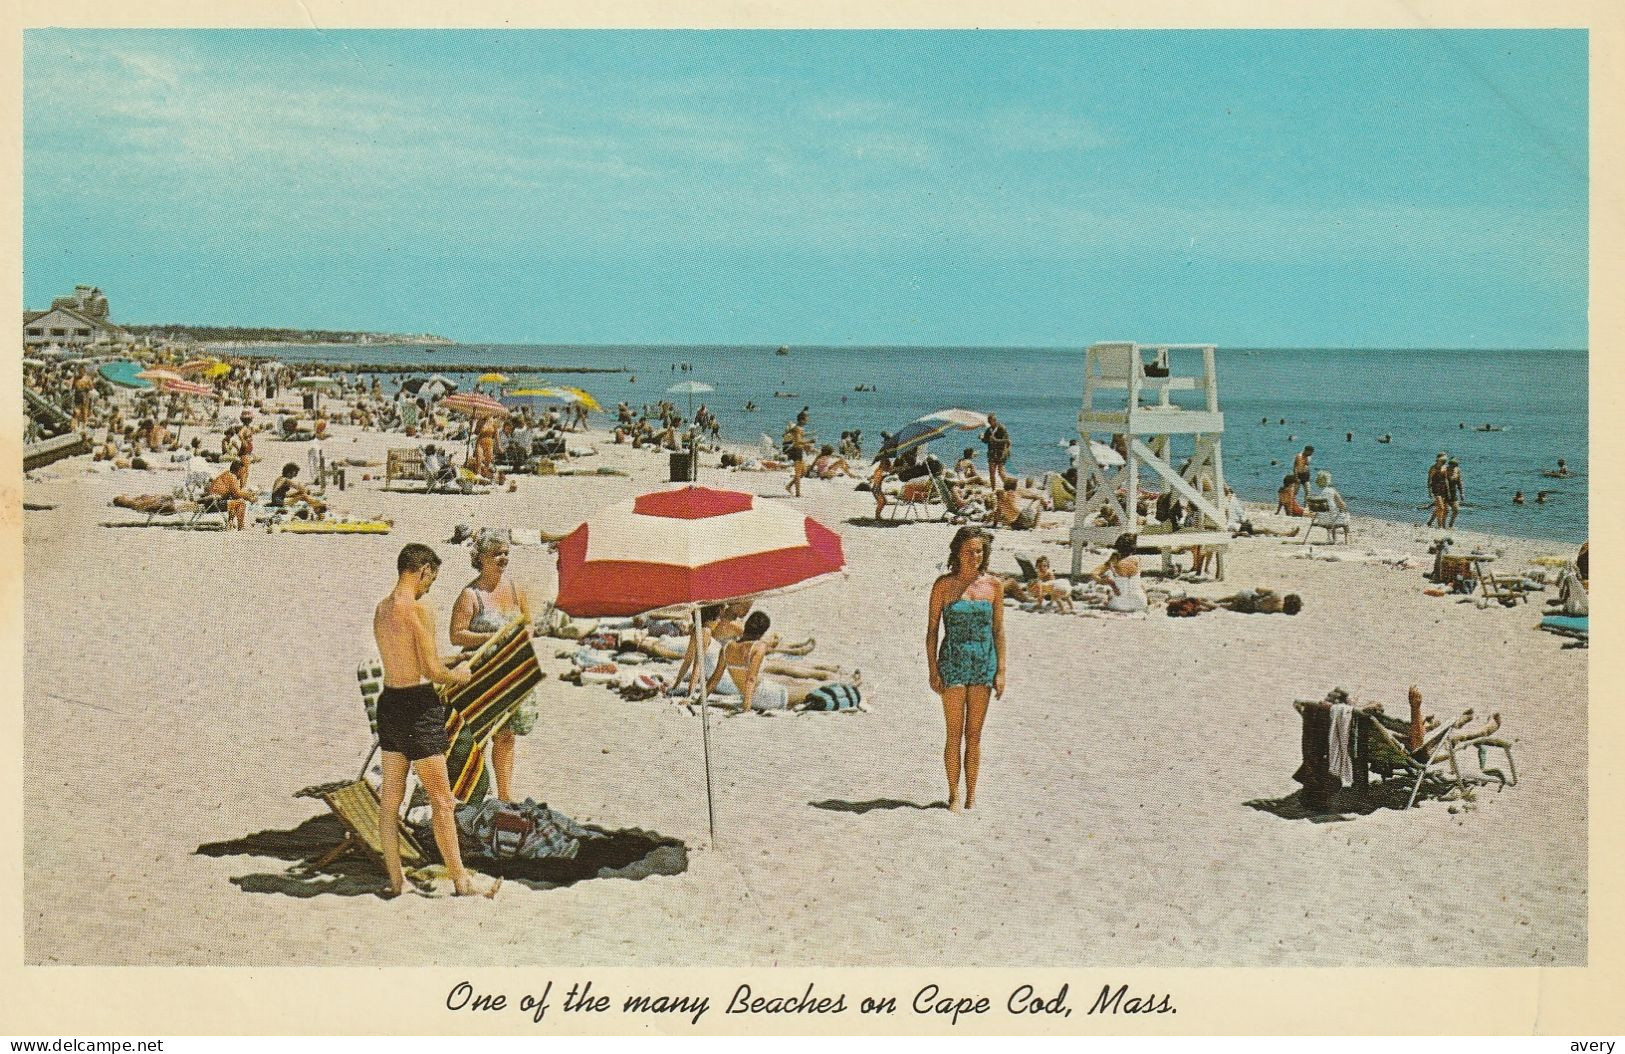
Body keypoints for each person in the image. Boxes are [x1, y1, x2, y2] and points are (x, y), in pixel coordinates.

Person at [372, 544, 497, 899]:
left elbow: (407, 661)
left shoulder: (382, 610)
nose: (430, 586)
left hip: (390, 704)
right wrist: (461, 674)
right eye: (432, 578)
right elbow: (431, 672)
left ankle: (396, 882)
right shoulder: (419, 609)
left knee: (390, 801)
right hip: (418, 709)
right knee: (443, 801)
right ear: (423, 570)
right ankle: (462, 882)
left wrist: (449, 659)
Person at [449, 532, 535, 802]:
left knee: (507, 734)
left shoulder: (515, 588)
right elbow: (456, 634)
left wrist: (520, 641)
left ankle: (505, 795)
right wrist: (490, 639)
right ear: (481, 558)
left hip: (511, 670)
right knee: (479, 735)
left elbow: (528, 624)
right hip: (482, 674)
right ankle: (474, 791)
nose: (503, 558)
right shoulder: (470, 594)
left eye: (506, 552)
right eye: (497, 553)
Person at [926, 527, 1005, 811]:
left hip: (984, 662)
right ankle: (953, 794)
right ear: (957, 553)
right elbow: (932, 630)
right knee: (953, 733)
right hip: (953, 661)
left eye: (979, 551)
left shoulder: (994, 585)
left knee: (974, 735)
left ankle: (972, 795)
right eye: (970, 551)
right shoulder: (943, 586)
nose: (975, 556)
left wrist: (1001, 671)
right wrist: (933, 669)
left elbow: (998, 630)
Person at [1094, 533, 1147, 613]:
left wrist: (1104, 581)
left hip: (1120, 605)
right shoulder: (1137, 559)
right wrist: (1148, 600)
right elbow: (1139, 584)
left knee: (1109, 596)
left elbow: (1093, 574)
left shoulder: (1113, 560)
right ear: (1133, 548)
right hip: (1140, 603)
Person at [206, 459, 257, 530]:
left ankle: (230, 522)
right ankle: (241, 526)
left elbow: (235, 494)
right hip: (212, 503)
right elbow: (237, 494)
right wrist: (249, 496)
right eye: (243, 471)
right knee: (241, 503)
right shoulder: (232, 477)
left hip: (211, 501)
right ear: (239, 469)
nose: (244, 474)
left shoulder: (227, 474)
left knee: (234, 500)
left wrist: (248, 495)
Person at [981, 413, 1012, 490]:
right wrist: (981, 438)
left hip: (1001, 453)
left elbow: (1007, 441)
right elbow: (986, 440)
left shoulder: (1001, 428)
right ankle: (993, 490)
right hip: (992, 453)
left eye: (994, 420)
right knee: (992, 472)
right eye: (991, 420)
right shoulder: (988, 430)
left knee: (1001, 473)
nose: (994, 421)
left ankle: (1009, 488)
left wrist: (996, 440)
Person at [1426, 453, 1450, 528]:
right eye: (1441, 460)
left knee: (1443, 508)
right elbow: (1429, 480)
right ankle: (1440, 526)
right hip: (1435, 490)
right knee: (1441, 507)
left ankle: (1430, 522)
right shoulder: (1433, 468)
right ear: (1438, 460)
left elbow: (1446, 479)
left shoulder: (1445, 467)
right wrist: (1429, 491)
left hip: (1444, 490)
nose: (1443, 462)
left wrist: (1448, 491)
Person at [1446, 458, 1464, 528]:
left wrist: (1461, 493)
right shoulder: (1444, 470)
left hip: (1453, 493)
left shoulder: (1457, 471)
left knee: (1456, 510)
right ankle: (1430, 522)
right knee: (1442, 510)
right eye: (1451, 466)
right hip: (1444, 493)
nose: (1453, 468)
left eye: (1455, 466)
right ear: (1449, 465)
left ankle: (1451, 524)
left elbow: (1459, 482)